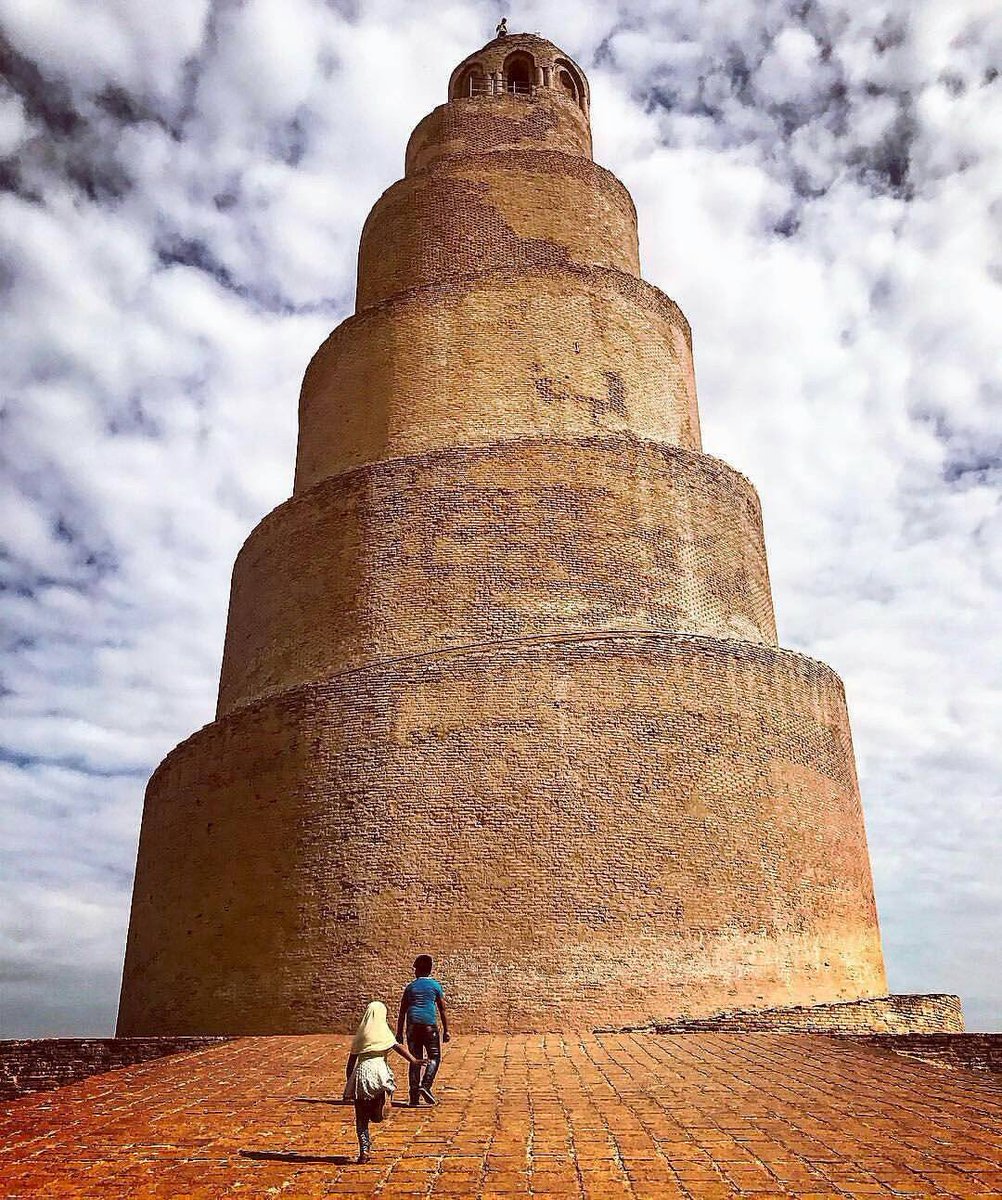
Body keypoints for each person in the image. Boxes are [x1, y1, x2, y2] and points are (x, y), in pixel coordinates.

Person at [343, 1000, 422, 1164]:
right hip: (379, 1072)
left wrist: (350, 1083)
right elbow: (398, 1047)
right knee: (377, 1116)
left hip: (362, 1073)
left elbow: (351, 1063)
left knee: (361, 1118)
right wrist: (413, 1060)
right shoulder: (384, 1032)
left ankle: (364, 1150)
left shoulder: (361, 1035)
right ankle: (381, 1106)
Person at [396, 954, 450, 1106]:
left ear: (417, 970)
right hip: (429, 1025)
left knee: (415, 1059)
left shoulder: (411, 987)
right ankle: (425, 1085)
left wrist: (399, 1032)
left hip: (412, 1026)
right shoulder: (435, 986)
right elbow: (442, 1009)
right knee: (434, 1057)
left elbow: (402, 1011)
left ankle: (414, 1096)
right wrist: (446, 1030)